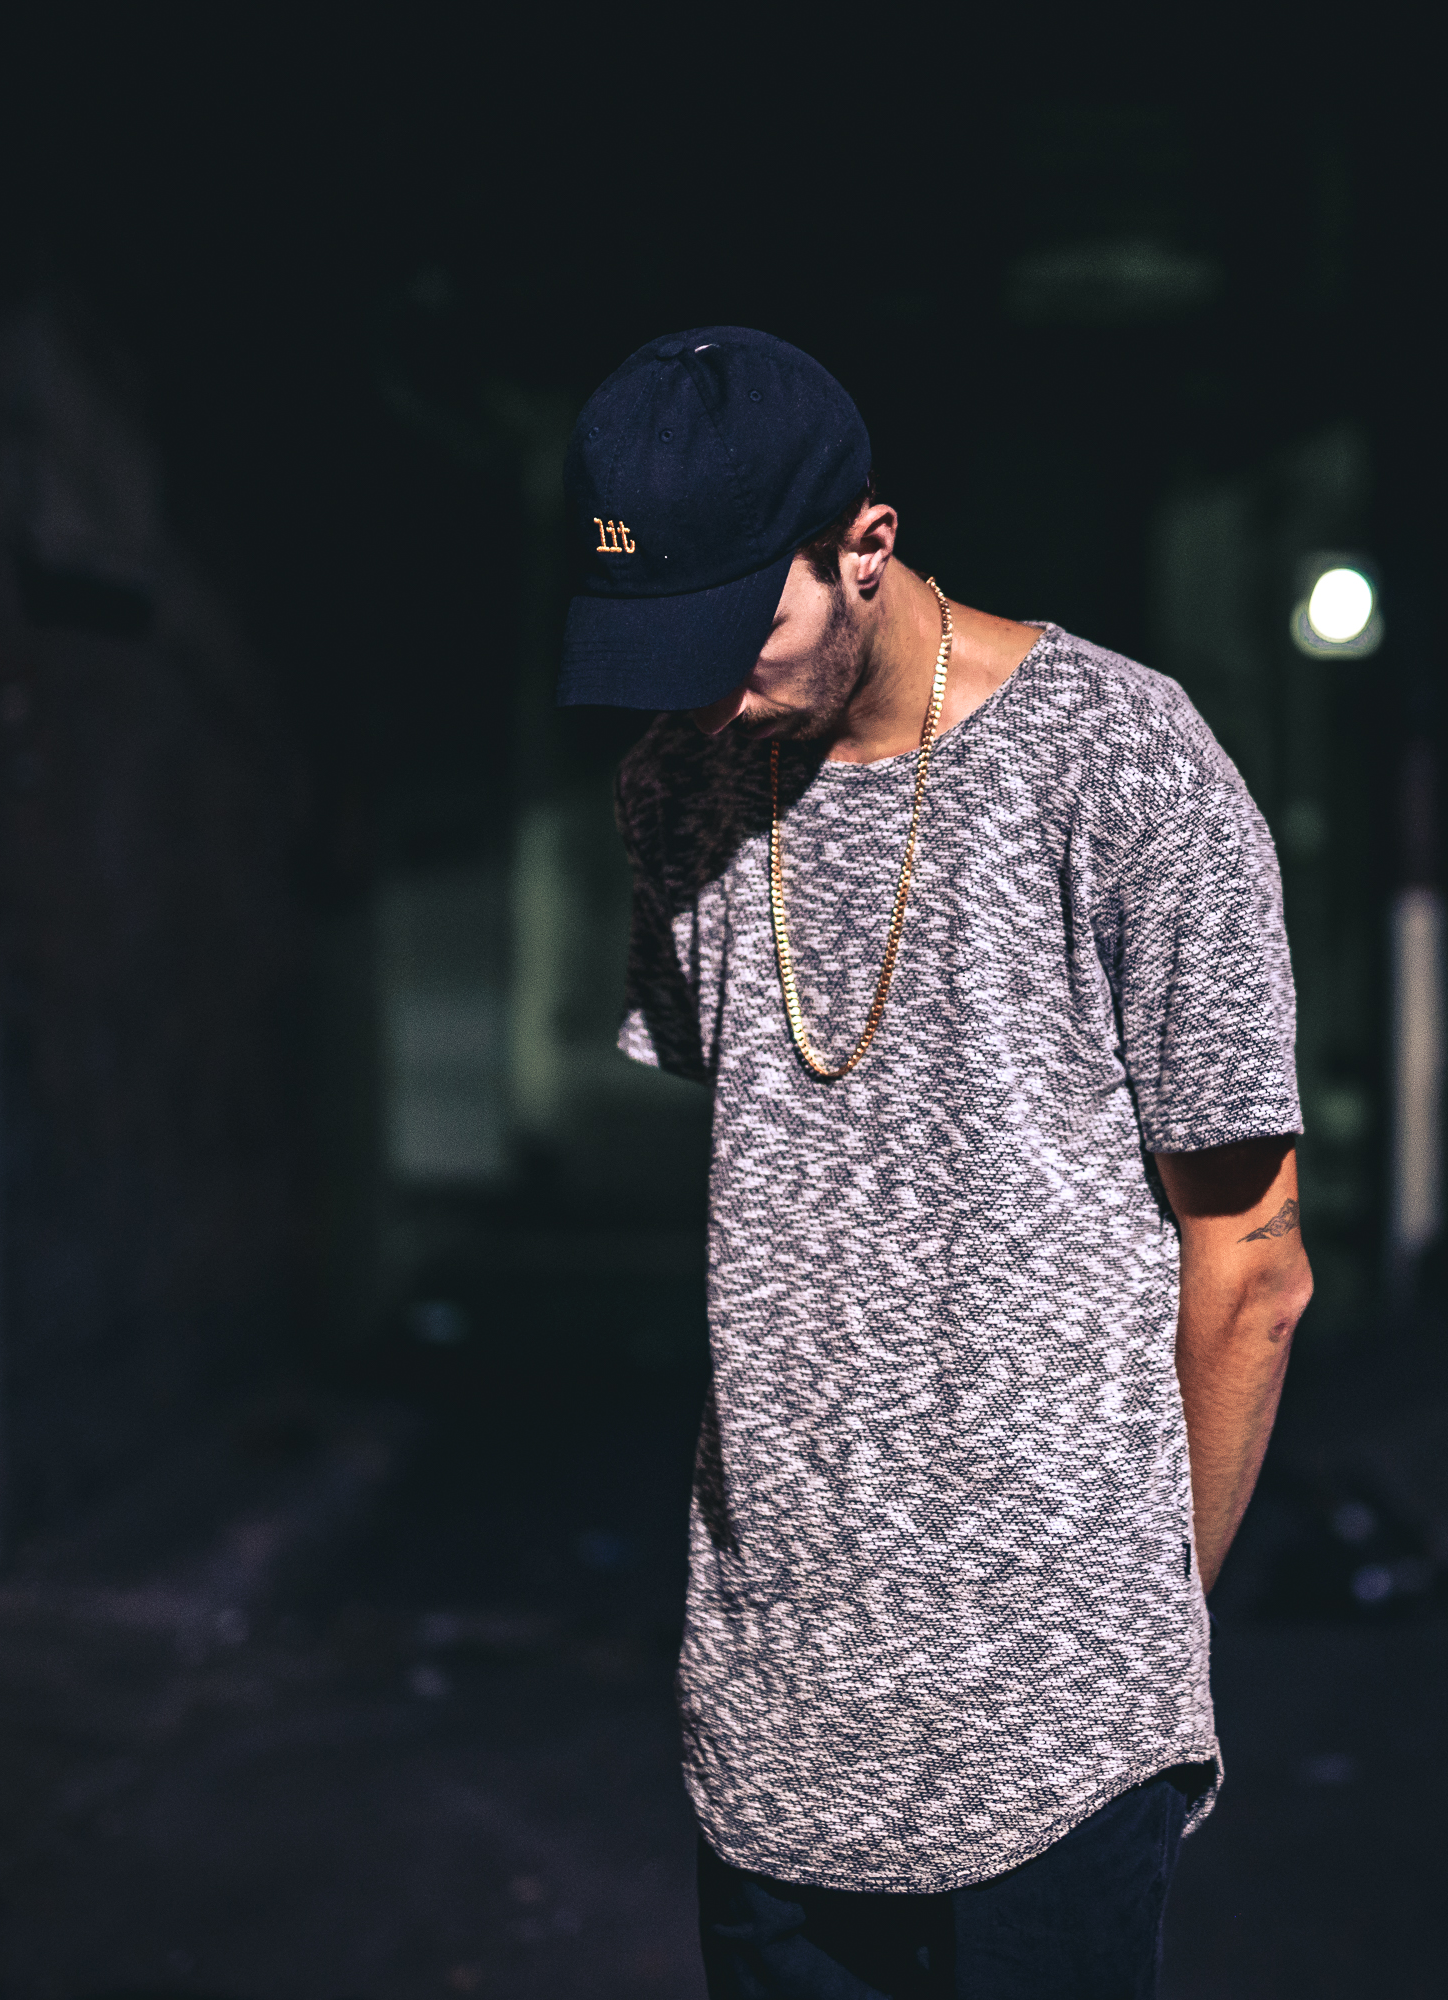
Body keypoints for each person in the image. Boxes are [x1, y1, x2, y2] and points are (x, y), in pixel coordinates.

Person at [558, 328, 1310, 2000]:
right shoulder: (676, 784)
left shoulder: (1122, 763)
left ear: (867, 546)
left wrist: (1135, 1632)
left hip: (1059, 1728)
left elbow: (1251, 1262)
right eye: (655, 647)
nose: (699, 691)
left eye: (732, 634)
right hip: (771, 1714)